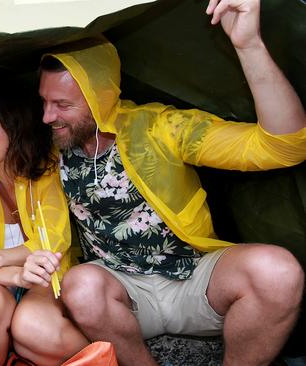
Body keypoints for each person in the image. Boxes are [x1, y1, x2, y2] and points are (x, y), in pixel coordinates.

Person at [35, 0, 306, 365]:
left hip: (193, 279)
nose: (48, 116)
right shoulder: (53, 151)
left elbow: (285, 145)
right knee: (80, 286)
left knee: (278, 271)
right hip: (125, 297)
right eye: (45, 102)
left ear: (101, 98)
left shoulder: (160, 127)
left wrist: (249, 45)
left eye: (62, 105)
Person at [0, 86, 89, 365]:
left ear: (16, 127)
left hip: (46, 281)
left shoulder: (46, 167)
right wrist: (13, 275)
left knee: (33, 326)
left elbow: (53, 240)